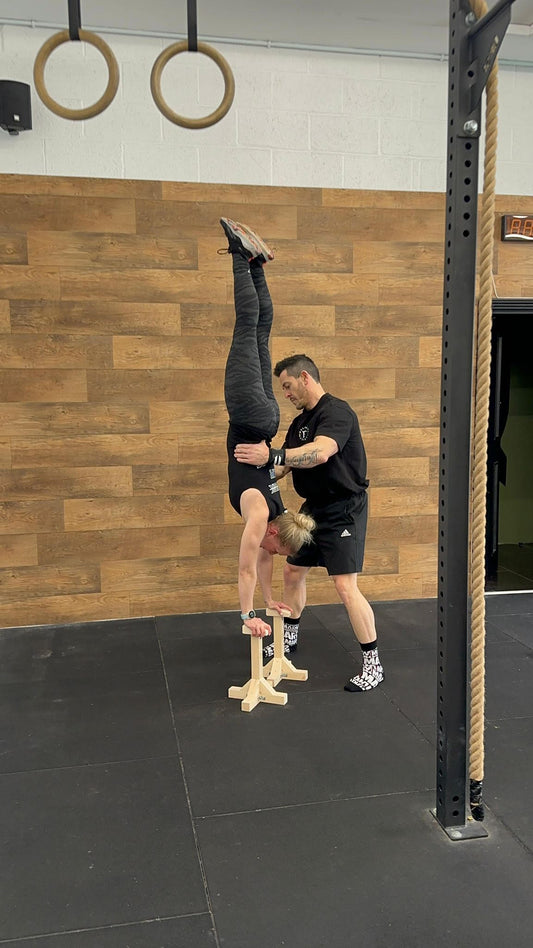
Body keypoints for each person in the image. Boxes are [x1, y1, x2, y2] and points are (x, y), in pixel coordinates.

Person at [233, 353, 383, 692]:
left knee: (345, 586)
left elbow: (320, 452)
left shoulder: (336, 412)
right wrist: (250, 478)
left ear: (305, 377)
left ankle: (373, 663)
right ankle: (289, 637)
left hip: (345, 508)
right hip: (313, 508)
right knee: (292, 570)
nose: (285, 393)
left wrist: (272, 456)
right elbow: (285, 466)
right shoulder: (300, 422)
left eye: (287, 386)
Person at [220, 220, 315, 641]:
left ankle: (256, 263)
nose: (276, 554)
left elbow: (259, 561)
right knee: (247, 328)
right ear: (277, 532)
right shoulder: (261, 516)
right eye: (280, 548)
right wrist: (247, 616)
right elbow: (245, 566)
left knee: (260, 333)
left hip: (265, 418)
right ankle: (241, 255)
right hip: (248, 413)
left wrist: (270, 598)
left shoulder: (278, 512)